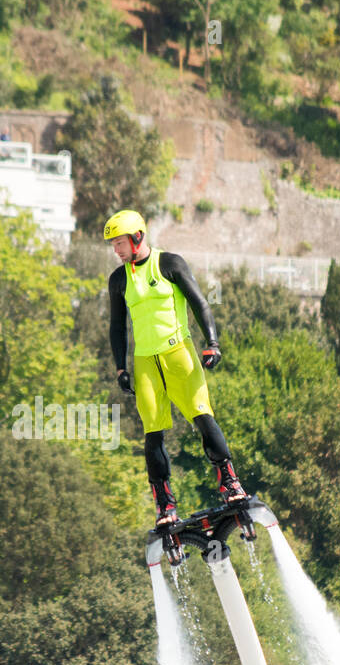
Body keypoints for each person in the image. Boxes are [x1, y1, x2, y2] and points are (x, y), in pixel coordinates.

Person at [104, 208, 249, 531]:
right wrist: (120, 368)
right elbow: (117, 326)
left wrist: (212, 342)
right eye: (113, 244)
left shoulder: (170, 263)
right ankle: (165, 504)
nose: (116, 249)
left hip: (178, 354)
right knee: (152, 434)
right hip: (145, 364)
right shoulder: (118, 279)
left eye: (119, 243)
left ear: (137, 237)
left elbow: (201, 303)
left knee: (202, 416)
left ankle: (230, 483)